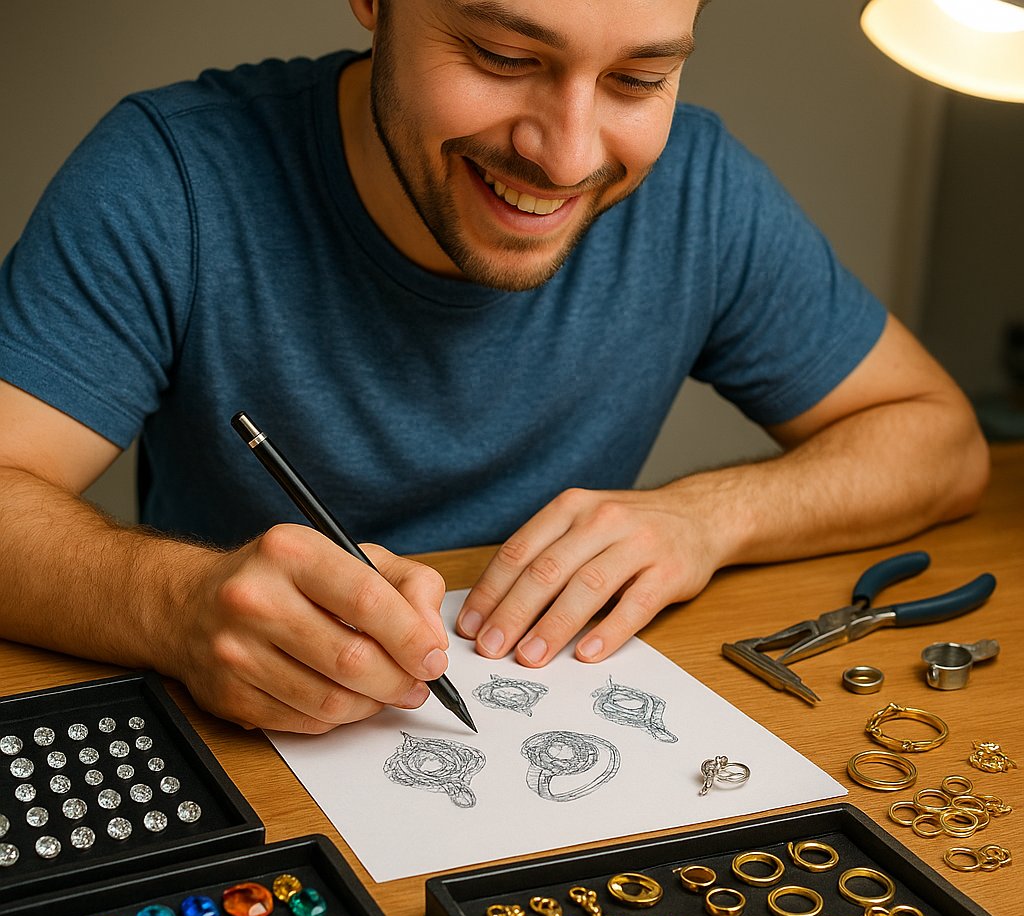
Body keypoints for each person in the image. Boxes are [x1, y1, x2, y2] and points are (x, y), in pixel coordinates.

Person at [0, 0, 988, 734]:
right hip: (252, 773)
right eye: (503, 56)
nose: (563, 156)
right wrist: (176, 607)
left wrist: (707, 515)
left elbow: (938, 443)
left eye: (639, 81)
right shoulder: (170, 174)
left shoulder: (699, 188)